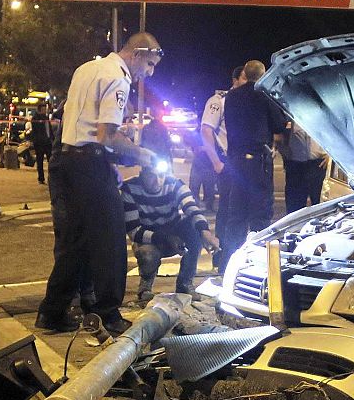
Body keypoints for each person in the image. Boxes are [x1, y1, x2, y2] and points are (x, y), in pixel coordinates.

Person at [34, 32, 164, 334]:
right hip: (90, 164)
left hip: (65, 161)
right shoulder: (118, 79)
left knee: (74, 242)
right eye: (150, 64)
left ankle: (51, 311)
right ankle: (108, 313)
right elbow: (106, 135)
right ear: (137, 54)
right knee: (110, 240)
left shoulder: (87, 68)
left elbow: (79, 122)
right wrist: (142, 154)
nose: (150, 73)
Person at [216, 59, 289, 272]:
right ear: (263, 75)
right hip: (258, 161)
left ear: (245, 75)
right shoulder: (265, 95)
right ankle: (259, 266)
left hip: (236, 160)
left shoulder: (231, 96)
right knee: (260, 215)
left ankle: (227, 265)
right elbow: (278, 125)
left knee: (235, 214)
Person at [122, 160, 218, 302]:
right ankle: (145, 286)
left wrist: (205, 231)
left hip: (173, 230)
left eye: (161, 175)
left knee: (194, 228)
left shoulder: (174, 183)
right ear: (142, 174)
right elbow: (134, 231)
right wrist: (165, 238)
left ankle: (185, 283)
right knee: (147, 255)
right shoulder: (130, 188)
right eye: (151, 176)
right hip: (147, 238)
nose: (158, 181)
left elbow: (191, 207)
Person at [194, 66, 243, 211]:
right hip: (226, 159)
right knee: (227, 208)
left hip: (241, 161)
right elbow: (206, 130)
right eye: (245, 78)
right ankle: (222, 234)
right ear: (235, 80)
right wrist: (217, 162)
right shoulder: (219, 101)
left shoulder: (245, 102)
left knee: (239, 209)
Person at [280, 120, 328, 214]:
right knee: (294, 207)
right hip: (296, 164)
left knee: (319, 206)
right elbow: (278, 131)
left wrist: (330, 154)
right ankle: (294, 228)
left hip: (318, 163)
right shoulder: (292, 110)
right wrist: (284, 153)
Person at [28, 104, 53, 184]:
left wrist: (51, 138)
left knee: (51, 160)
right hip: (40, 143)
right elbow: (36, 131)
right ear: (39, 110)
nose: (45, 111)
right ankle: (41, 178)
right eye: (43, 109)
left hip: (48, 142)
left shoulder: (46, 118)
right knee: (40, 160)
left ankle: (51, 177)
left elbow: (49, 129)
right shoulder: (36, 118)